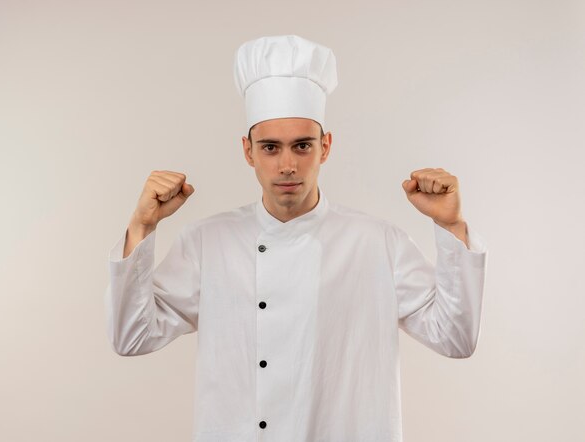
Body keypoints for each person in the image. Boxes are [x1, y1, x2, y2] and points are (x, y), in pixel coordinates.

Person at [105, 34, 488, 442]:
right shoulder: (207, 241)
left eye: (302, 146)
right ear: (248, 151)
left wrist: (452, 228)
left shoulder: (377, 242)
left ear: (325, 147)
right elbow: (132, 336)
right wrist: (141, 228)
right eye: (270, 147)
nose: (287, 165)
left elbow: (455, 338)